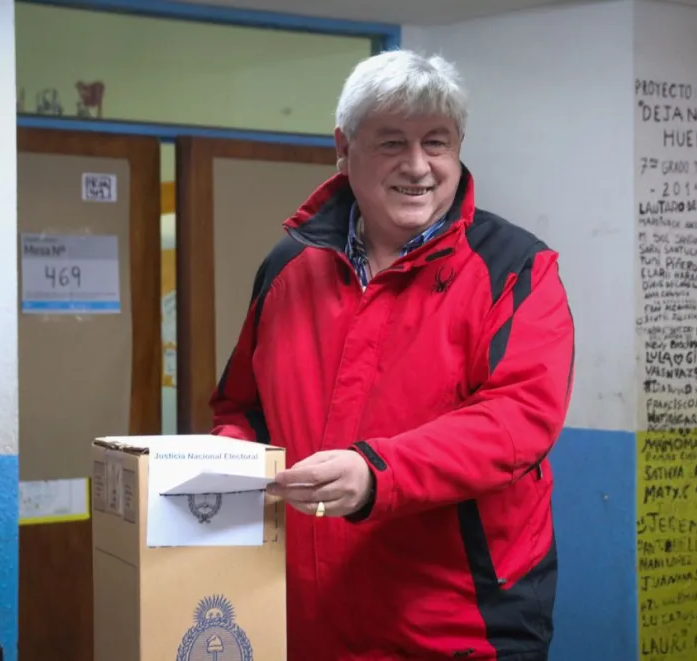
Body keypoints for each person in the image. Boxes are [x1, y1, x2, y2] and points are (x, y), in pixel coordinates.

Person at [210, 48, 575, 661]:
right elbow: (243, 407)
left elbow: (519, 418)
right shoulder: (289, 268)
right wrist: (230, 460)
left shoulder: (516, 268)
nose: (418, 166)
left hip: (459, 628)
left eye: (437, 143)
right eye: (390, 143)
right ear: (343, 146)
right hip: (307, 617)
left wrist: (376, 473)